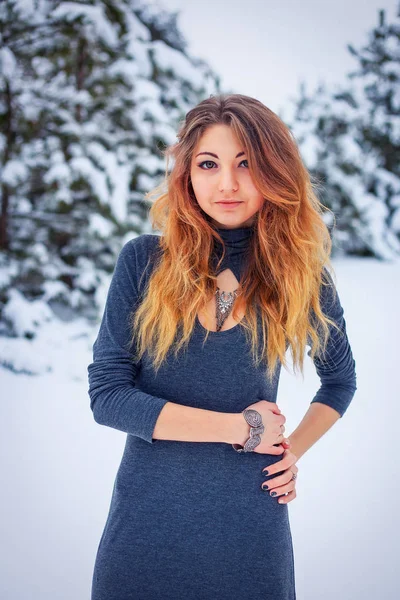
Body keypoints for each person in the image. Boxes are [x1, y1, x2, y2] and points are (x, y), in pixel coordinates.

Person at [87, 93, 357, 600]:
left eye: (246, 164)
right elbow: (107, 397)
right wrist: (242, 428)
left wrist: (288, 450)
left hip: (250, 527)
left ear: (274, 174)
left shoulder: (299, 276)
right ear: (187, 173)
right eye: (208, 164)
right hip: (145, 525)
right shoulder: (144, 263)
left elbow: (340, 380)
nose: (227, 183)